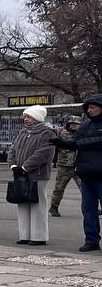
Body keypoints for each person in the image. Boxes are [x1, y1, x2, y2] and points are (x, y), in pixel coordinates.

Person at [55, 95, 102, 252]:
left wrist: (81, 144)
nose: (90, 110)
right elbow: (74, 143)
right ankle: (91, 240)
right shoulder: (86, 125)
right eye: (88, 108)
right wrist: (60, 143)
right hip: (86, 174)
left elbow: (97, 141)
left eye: (93, 107)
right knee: (88, 210)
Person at [7, 105, 56, 246]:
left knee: (38, 204)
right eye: (25, 116)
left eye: (29, 117)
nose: (26, 119)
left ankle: (38, 236)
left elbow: (44, 153)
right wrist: (13, 165)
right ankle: (24, 235)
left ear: (37, 118)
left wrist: (25, 167)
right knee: (22, 203)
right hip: (20, 174)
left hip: (37, 175)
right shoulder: (23, 132)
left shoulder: (48, 133)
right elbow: (13, 149)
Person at [50, 115, 83, 217]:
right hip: (64, 165)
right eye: (72, 124)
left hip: (79, 165)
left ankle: (92, 207)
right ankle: (54, 207)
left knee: (84, 188)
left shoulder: (83, 134)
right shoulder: (62, 133)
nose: (74, 126)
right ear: (68, 124)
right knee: (59, 187)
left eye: (76, 124)